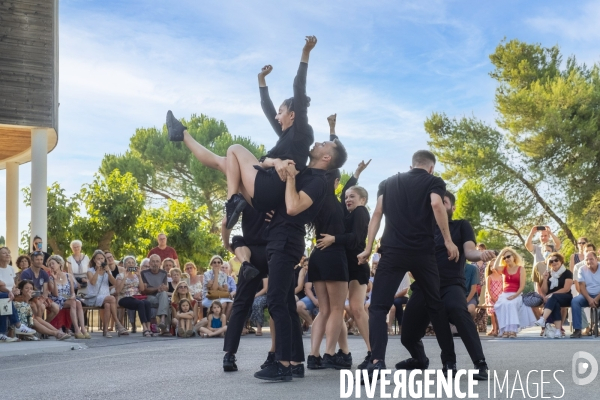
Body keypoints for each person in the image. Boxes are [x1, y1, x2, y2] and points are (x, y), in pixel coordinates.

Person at [166, 36, 320, 230]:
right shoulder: (287, 137)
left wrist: (305, 53)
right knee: (222, 162)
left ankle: (231, 201)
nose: (277, 117)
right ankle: (182, 134)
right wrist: (261, 80)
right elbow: (267, 109)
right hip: (261, 199)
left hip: (268, 187)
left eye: (281, 112)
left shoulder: (300, 132)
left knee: (235, 149)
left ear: (293, 114)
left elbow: (299, 86)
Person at [357, 150, 460, 379]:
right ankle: (449, 363)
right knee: (435, 305)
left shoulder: (388, 182)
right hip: (423, 252)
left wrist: (368, 247)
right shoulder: (434, 181)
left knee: (378, 306)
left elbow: (377, 213)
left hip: (393, 251)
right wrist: (448, 240)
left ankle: (377, 362)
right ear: (431, 167)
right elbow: (436, 204)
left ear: (412, 165)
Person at [395, 191, 494, 380]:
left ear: (452, 207)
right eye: (436, 202)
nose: (439, 205)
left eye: (444, 202)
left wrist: (481, 255)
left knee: (458, 310)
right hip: (424, 286)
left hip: (450, 284)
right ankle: (419, 359)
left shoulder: (460, 226)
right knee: (407, 335)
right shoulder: (421, 230)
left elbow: (470, 251)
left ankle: (479, 364)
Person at [221, 201, 273, 372]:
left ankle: (229, 355)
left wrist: (227, 244)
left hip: (249, 254)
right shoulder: (276, 192)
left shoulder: (245, 197)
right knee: (279, 306)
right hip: (272, 251)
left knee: (240, 306)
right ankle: (278, 354)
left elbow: (225, 222)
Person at [493, 248, 536, 338]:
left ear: (514, 257)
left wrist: (515, 295)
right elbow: (495, 267)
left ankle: (512, 330)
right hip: (505, 294)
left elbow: (522, 286)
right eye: (504, 258)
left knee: (511, 304)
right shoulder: (504, 269)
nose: (506, 259)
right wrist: (501, 253)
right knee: (504, 304)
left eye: (508, 256)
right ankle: (505, 330)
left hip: (516, 293)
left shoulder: (521, 269)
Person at [85, 250, 129, 337]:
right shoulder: (90, 271)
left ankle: (105, 331)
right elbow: (93, 282)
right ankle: (118, 323)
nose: (101, 260)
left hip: (105, 297)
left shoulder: (106, 271)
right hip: (94, 297)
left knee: (108, 305)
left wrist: (108, 272)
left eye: (102, 258)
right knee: (112, 298)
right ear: (94, 260)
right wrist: (97, 270)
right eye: (98, 259)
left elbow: (115, 283)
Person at [0, 247, 38, 342]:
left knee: (13, 302)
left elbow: (12, 285)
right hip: (4, 295)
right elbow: (1, 286)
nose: (7, 254)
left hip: (8, 296)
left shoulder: (10, 269)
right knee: (5, 299)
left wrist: (15, 290)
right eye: (4, 253)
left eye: (8, 253)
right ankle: (18, 325)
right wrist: (9, 292)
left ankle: (2, 334)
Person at [47, 255, 89, 339]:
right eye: (50, 264)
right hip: (56, 298)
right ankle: (77, 330)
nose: (51, 266)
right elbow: (55, 294)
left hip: (68, 297)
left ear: (59, 264)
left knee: (78, 303)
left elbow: (72, 292)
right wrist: (55, 279)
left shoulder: (68, 275)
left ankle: (83, 329)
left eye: (53, 263)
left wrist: (72, 296)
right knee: (74, 302)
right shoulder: (50, 277)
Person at [534, 253, 573, 338]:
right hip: (553, 299)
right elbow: (544, 291)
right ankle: (558, 331)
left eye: (556, 260)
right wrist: (544, 279)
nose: (554, 262)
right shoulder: (548, 274)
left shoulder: (567, 272)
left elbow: (566, 289)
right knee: (555, 303)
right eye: (551, 261)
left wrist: (552, 294)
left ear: (561, 261)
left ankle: (543, 319)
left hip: (566, 297)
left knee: (553, 297)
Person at [116, 256, 153, 337]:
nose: (131, 264)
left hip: (136, 297)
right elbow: (118, 290)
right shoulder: (120, 276)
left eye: (132, 262)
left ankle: (148, 326)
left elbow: (142, 288)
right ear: (125, 265)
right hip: (124, 297)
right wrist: (125, 277)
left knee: (147, 303)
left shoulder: (136, 275)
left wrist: (139, 276)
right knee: (140, 303)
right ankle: (144, 328)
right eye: (128, 262)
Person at [20, 251, 58, 321]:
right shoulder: (26, 273)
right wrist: (39, 299)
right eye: (37, 259)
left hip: (41, 296)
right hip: (29, 297)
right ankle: (38, 328)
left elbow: (45, 289)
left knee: (56, 308)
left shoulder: (44, 273)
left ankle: (44, 325)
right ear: (32, 261)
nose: (40, 262)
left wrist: (43, 298)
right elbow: (26, 290)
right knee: (41, 306)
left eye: (41, 259)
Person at [570, 251, 600, 338]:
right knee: (575, 301)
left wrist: (596, 299)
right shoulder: (582, 269)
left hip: (599, 295)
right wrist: (589, 299)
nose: (589, 261)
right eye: (587, 259)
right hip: (587, 295)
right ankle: (578, 330)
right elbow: (581, 286)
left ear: (596, 259)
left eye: (591, 259)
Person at [141, 254, 171, 335]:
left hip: (160, 296)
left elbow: (164, 288)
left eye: (157, 261)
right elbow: (144, 290)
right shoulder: (143, 273)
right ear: (150, 263)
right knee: (166, 302)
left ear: (160, 263)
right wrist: (157, 288)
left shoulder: (164, 273)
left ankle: (162, 320)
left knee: (164, 294)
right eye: (153, 261)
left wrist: (162, 288)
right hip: (149, 297)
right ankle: (164, 327)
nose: (155, 263)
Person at [485, 256, 503, 336]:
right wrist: (492, 298)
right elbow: (488, 289)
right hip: (491, 297)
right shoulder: (489, 277)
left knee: (498, 313)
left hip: (500, 297)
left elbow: (503, 288)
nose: (493, 267)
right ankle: (494, 329)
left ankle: (498, 328)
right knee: (493, 313)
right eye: (491, 266)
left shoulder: (501, 277)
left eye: (495, 265)